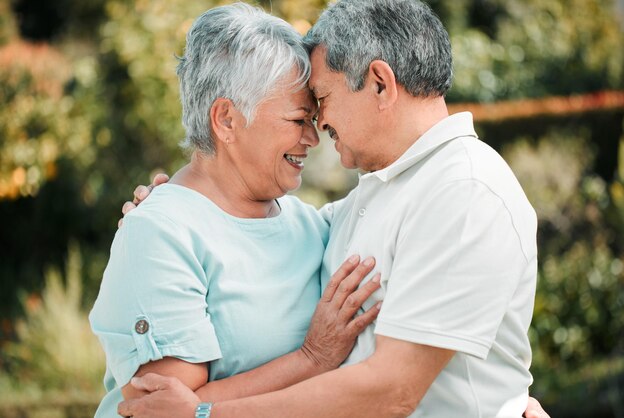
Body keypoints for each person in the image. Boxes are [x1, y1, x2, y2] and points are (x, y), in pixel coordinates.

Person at [118, 0, 552, 417]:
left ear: (380, 84)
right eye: (302, 115)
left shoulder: (464, 191)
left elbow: (393, 391)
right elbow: (237, 226)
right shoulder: (371, 198)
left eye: (321, 100)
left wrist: (205, 414)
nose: (319, 127)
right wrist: (172, 208)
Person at [89, 4, 383, 418]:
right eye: (299, 119)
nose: (312, 138)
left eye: (314, 119)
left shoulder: (310, 224)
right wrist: (313, 358)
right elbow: (161, 407)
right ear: (226, 119)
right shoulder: (160, 234)